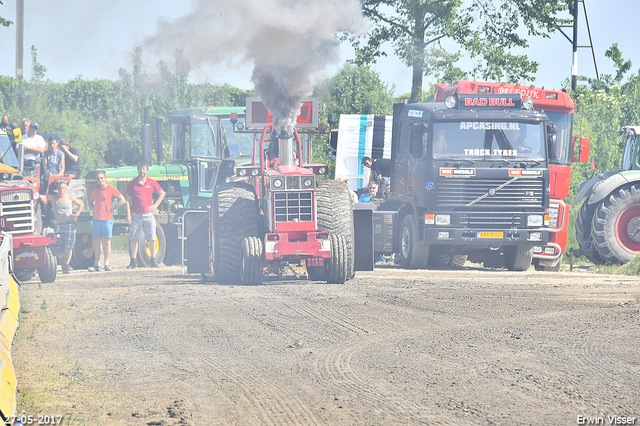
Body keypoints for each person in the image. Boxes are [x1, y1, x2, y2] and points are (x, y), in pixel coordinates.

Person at [126, 162, 165, 269]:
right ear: (138, 170)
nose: (142, 171)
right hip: (136, 215)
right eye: (140, 169)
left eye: (144, 169)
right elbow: (128, 200)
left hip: (148, 214)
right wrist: (128, 214)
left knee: (152, 237)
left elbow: (162, 193)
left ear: (147, 171)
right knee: (134, 238)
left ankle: (153, 259)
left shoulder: (151, 182)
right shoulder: (132, 184)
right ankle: (133, 261)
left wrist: (155, 205)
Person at [88, 171, 128, 272]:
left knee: (106, 241)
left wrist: (113, 207)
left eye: (101, 178)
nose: (100, 180)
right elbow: (91, 200)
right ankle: (97, 263)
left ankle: (107, 263)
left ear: (105, 178)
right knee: (97, 242)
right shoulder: (95, 190)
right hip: (96, 218)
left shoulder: (111, 189)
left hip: (107, 218)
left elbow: (122, 200)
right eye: (98, 179)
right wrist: (92, 206)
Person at [44, 179, 84, 274]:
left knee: (69, 246)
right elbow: (44, 197)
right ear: (57, 189)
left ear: (65, 189)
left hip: (70, 224)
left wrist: (77, 214)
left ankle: (66, 265)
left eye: (63, 188)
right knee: (58, 246)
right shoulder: (54, 198)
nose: (61, 189)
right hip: (59, 225)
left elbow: (80, 204)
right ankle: (62, 261)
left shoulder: (70, 197)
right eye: (59, 188)